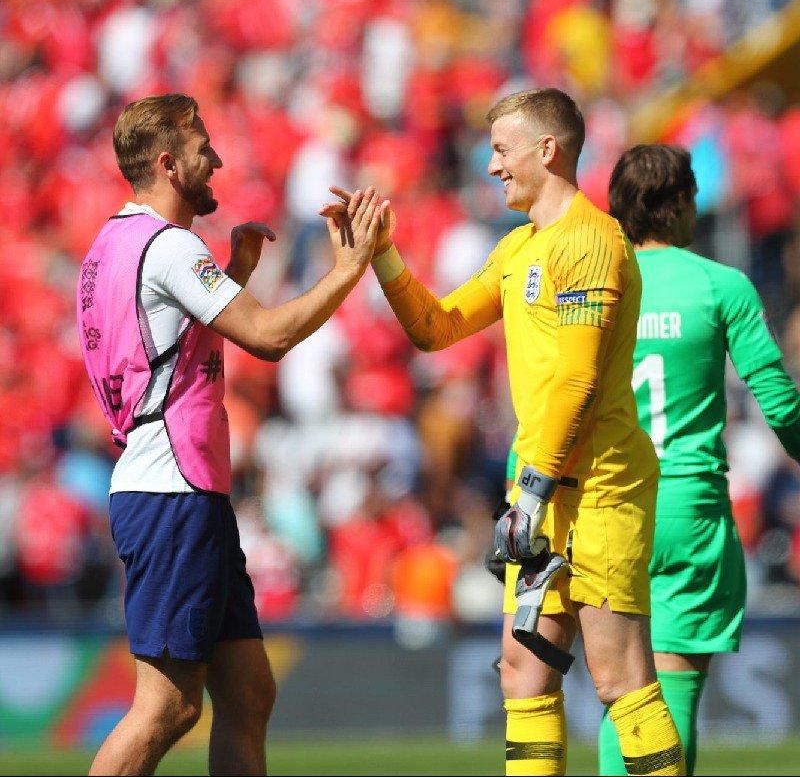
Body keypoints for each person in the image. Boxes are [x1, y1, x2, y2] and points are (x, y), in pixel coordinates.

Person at [322, 89, 684, 776]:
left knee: (619, 680)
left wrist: (533, 491)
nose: (491, 167)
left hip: (599, 491)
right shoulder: (519, 248)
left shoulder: (592, 242)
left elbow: (576, 383)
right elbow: (437, 328)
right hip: (541, 493)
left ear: (547, 150)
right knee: (523, 676)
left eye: (501, 150)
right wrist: (382, 255)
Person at [77, 93, 386, 776]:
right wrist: (349, 269)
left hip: (173, 488)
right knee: (167, 708)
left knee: (247, 695)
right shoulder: (170, 247)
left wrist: (237, 274)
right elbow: (270, 338)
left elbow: (163, 351)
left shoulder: (111, 244)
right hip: (174, 491)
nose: (215, 160)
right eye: (201, 149)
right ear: (167, 164)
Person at [596, 144, 800, 775]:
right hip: (687, 504)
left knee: (624, 692)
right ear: (681, 202)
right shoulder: (720, 285)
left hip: (608, 505)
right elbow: (776, 397)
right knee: (673, 687)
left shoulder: (595, 284)